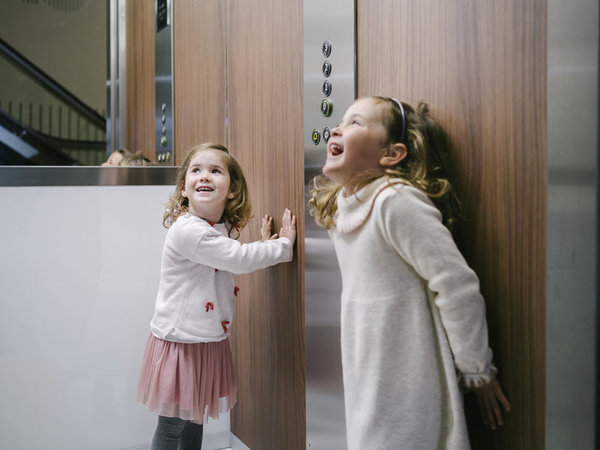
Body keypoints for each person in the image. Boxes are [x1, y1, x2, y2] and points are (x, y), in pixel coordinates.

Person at [309, 96, 510, 449]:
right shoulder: (342, 208)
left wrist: (477, 369)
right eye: (341, 121)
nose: (338, 128)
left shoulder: (394, 201)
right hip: (367, 366)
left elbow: (456, 285)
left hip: (407, 373)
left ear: (391, 154)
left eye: (355, 123)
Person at [137, 142, 296, 450]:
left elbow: (228, 250)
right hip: (181, 341)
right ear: (184, 188)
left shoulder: (217, 228)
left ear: (232, 189)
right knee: (173, 426)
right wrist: (282, 246)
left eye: (215, 170)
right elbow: (235, 258)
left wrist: (263, 244)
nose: (204, 176)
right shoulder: (188, 231)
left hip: (205, 338)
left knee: (195, 420)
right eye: (196, 170)